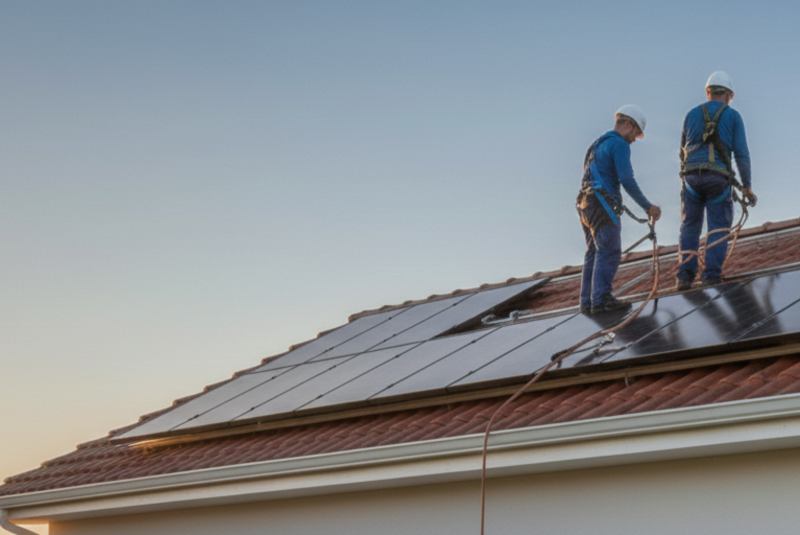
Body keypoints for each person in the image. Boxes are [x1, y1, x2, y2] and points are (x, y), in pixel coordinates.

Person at [676, 71, 757, 291]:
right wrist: (747, 186)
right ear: (729, 95)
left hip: (691, 179)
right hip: (717, 179)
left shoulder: (691, 115)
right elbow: (741, 153)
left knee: (690, 226)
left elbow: (682, 153)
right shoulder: (733, 116)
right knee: (719, 226)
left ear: (708, 92)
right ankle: (711, 276)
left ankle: (684, 276)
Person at [577, 105, 661, 314]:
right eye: (635, 134)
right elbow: (626, 179)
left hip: (585, 205)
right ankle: (601, 299)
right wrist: (647, 206)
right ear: (628, 125)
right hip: (603, 205)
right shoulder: (619, 144)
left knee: (593, 252)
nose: (634, 139)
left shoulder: (596, 145)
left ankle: (586, 301)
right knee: (609, 250)